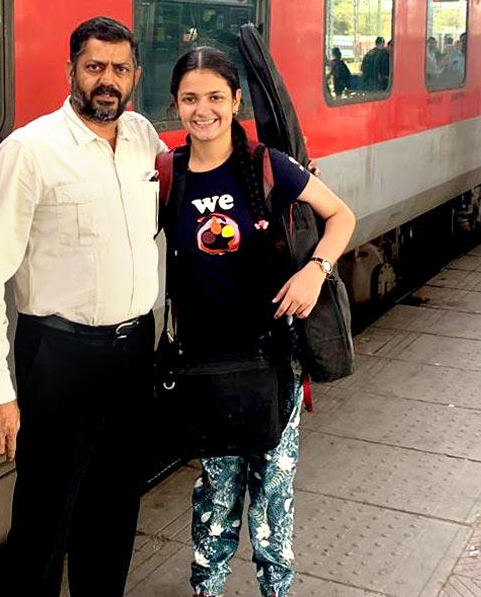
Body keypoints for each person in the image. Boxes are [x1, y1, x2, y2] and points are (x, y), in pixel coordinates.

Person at [0, 16, 162, 596]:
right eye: (94, 67)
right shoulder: (30, 151)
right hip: (58, 354)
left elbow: (197, 185)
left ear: (135, 75)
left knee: (115, 510)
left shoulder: (143, 137)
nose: (107, 80)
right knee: (44, 520)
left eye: (120, 69)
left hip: (133, 350)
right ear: (70, 69)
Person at [165, 47, 355, 597]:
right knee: (216, 494)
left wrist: (316, 271)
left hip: (272, 358)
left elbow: (341, 216)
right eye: (190, 98)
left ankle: (277, 590)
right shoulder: (167, 174)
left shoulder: (270, 165)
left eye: (215, 97)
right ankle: (207, 589)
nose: (203, 110)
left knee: (273, 497)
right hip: (206, 363)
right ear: (176, 105)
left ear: (235, 101)